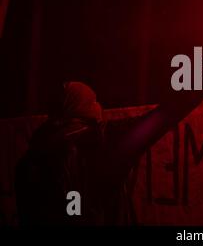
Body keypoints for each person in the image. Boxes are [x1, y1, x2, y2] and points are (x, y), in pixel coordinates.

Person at [15, 82, 135, 225]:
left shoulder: (31, 155)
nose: (98, 106)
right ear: (79, 107)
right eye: (93, 101)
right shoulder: (82, 150)